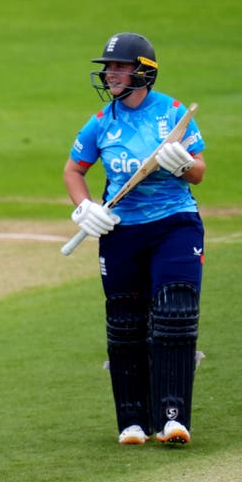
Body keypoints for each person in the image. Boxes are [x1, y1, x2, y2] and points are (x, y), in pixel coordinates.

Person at [62, 32, 206, 445]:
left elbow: (199, 171)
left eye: (119, 67)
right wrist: (84, 207)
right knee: (125, 324)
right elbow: (73, 170)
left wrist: (183, 165)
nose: (109, 74)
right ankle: (132, 422)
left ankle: (173, 418)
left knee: (174, 316)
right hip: (121, 231)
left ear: (143, 71)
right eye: (108, 68)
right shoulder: (101, 122)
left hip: (174, 224)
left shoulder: (173, 113)